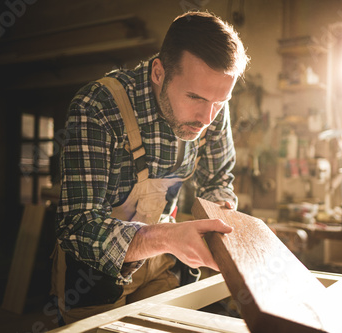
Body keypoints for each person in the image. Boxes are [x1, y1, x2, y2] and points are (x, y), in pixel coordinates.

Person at [51, 11, 250, 325]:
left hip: (163, 262)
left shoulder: (211, 108)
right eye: (195, 97)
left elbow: (218, 178)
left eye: (219, 102)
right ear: (159, 72)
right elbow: (78, 226)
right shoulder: (98, 107)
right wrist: (168, 238)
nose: (207, 118)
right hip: (95, 275)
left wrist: (221, 213)